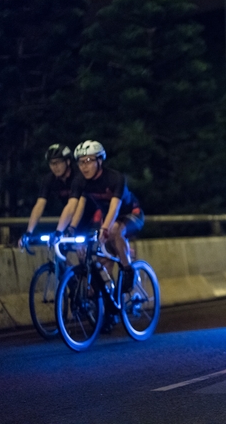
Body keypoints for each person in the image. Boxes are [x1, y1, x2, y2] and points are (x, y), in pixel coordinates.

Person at [54, 140, 144, 331]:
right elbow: (73, 206)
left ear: (100, 161)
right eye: (81, 162)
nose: (84, 166)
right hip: (104, 217)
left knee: (114, 231)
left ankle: (128, 270)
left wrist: (104, 229)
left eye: (89, 160)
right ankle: (107, 305)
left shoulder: (115, 178)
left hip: (130, 214)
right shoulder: (80, 181)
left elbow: (115, 207)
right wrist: (66, 231)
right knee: (91, 256)